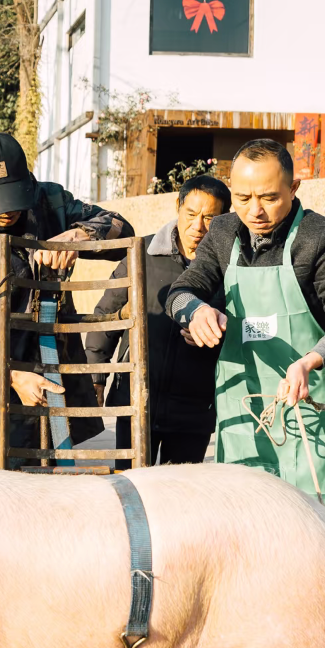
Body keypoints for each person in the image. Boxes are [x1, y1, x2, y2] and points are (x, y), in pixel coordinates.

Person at [166, 138, 325, 648]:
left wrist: (312, 358)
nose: (255, 210)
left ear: (294, 188)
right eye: (245, 196)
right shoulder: (224, 233)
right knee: (243, 555)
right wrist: (191, 309)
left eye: (270, 197)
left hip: (310, 412)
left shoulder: (322, 239)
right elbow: (181, 288)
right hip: (244, 411)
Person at [0, 131, 133, 467]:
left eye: (14, 197)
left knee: (58, 471)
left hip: (54, 361)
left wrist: (79, 235)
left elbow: (122, 230)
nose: (8, 211)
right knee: (10, 481)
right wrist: (8, 375)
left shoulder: (48, 201)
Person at [87, 175, 231, 469]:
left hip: (194, 409)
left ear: (225, 219)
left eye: (210, 218)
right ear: (178, 206)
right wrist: (95, 377)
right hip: (136, 401)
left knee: (180, 492)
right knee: (130, 485)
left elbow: (241, 327)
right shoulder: (141, 253)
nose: (198, 226)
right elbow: (106, 315)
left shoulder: (231, 267)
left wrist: (218, 334)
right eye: (191, 214)